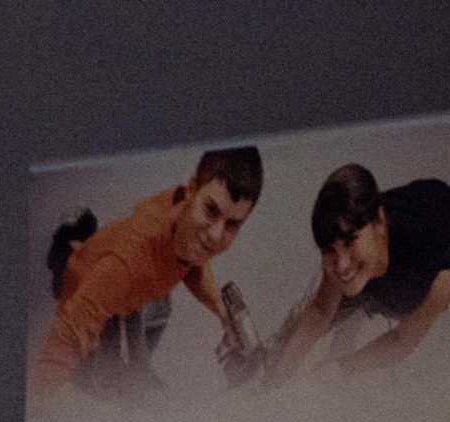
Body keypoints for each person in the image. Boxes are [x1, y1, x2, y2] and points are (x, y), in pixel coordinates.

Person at [31, 147, 264, 398]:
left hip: (123, 282)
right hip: (92, 289)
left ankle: (83, 236)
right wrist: (88, 413)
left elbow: (194, 263)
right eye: (211, 211)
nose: (215, 236)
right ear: (192, 189)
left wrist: (222, 312)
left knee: (160, 307)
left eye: (232, 225)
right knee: (105, 381)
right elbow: (50, 366)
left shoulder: (185, 217)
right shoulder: (128, 264)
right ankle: (67, 245)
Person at [266, 163, 450, 381]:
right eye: (329, 249)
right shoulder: (341, 247)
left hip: (424, 262)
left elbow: (402, 342)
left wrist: (340, 369)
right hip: (385, 246)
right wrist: (279, 373)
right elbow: (321, 310)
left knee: (340, 364)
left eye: (349, 241)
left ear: (379, 224)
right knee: (296, 332)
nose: (342, 265)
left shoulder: (432, 268)